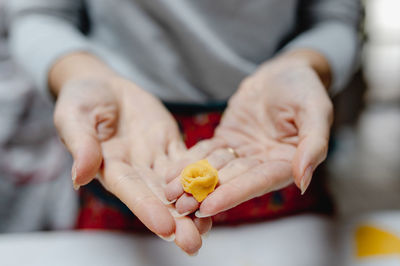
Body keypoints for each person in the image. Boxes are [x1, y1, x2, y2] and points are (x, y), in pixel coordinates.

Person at [6, 0, 361, 256]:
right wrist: (80, 72)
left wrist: (306, 64)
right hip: (130, 144)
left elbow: (336, 17)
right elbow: (39, 15)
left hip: (271, 141)